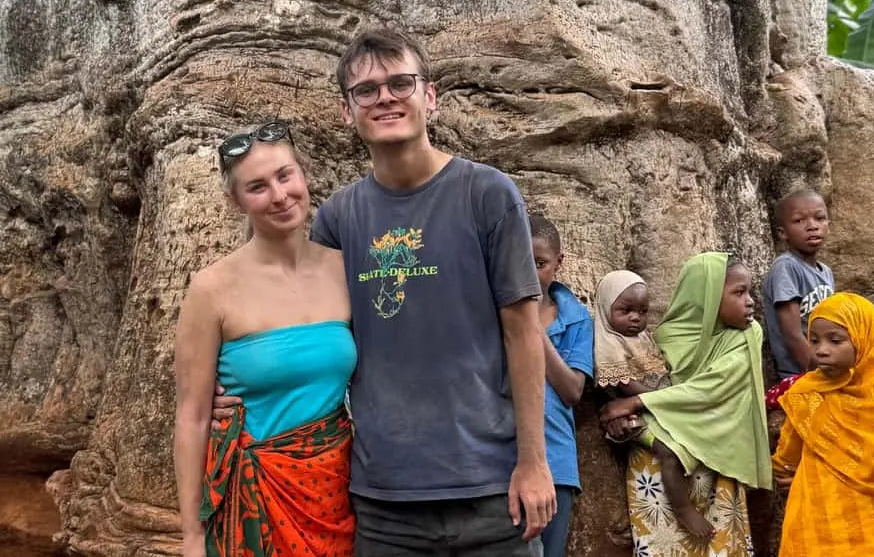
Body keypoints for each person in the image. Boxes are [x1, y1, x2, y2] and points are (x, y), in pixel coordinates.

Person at [215, 28, 555, 555]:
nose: (386, 98)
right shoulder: (339, 219)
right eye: (367, 90)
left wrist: (534, 463)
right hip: (381, 501)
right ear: (347, 111)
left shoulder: (487, 195)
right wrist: (236, 391)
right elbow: (304, 331)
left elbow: (522, 333)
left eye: (401, 82)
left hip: (491, 488)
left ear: (430, 96)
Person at [174, 121, 356, 556]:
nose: (279, 195)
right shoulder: (211, 288)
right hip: (255, 498)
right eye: (257, 187)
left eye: (284, 175)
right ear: (236, 202)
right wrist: (191, 536)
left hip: (340, 491)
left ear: (303, 174)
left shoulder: (345, 270)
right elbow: (192, 417)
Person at [599, 252, 772, 556]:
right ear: (706, 296)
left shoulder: (747, 336)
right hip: (659, 466)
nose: (750, 301)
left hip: (719, 459)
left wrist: (636, 402)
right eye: (738, 292)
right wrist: (624, 408)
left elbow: (712, 389)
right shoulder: (665, 336)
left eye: (749, 291)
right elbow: (635, 376)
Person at [593, 270, 713, 542]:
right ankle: (684, 509)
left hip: (656, 406)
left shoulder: (643, 337)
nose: (636, 318)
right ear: (605, 307)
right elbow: (628, 387)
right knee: (668, 451)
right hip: (635, 417)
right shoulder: (610, 342)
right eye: (626, 310)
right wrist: (665, 399)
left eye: (642, 311)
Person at [773, 292, 874, 555]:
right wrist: (787, 470)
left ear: (864, 339)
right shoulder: (807, 393)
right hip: (820, 518)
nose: (821, 350)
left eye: (835, 340)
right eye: (814, 340)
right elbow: (785, 459)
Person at [530, 214, 593, 557]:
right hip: (499, 463)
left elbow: (572, 390)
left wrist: (533, 331)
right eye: (521, 263)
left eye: (539, 263)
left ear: (558, 264)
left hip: (556, 463)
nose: (529, 273)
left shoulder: (576, 319)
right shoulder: (491, 314)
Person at [762, 189, 833, 408]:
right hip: (799, 372)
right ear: (783, 233)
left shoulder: (826, 272)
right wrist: (819, 375)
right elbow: (792, 333)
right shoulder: (786, 268)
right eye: (799, 220)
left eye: (819, 218)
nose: (812, 225)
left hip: (824, 364)